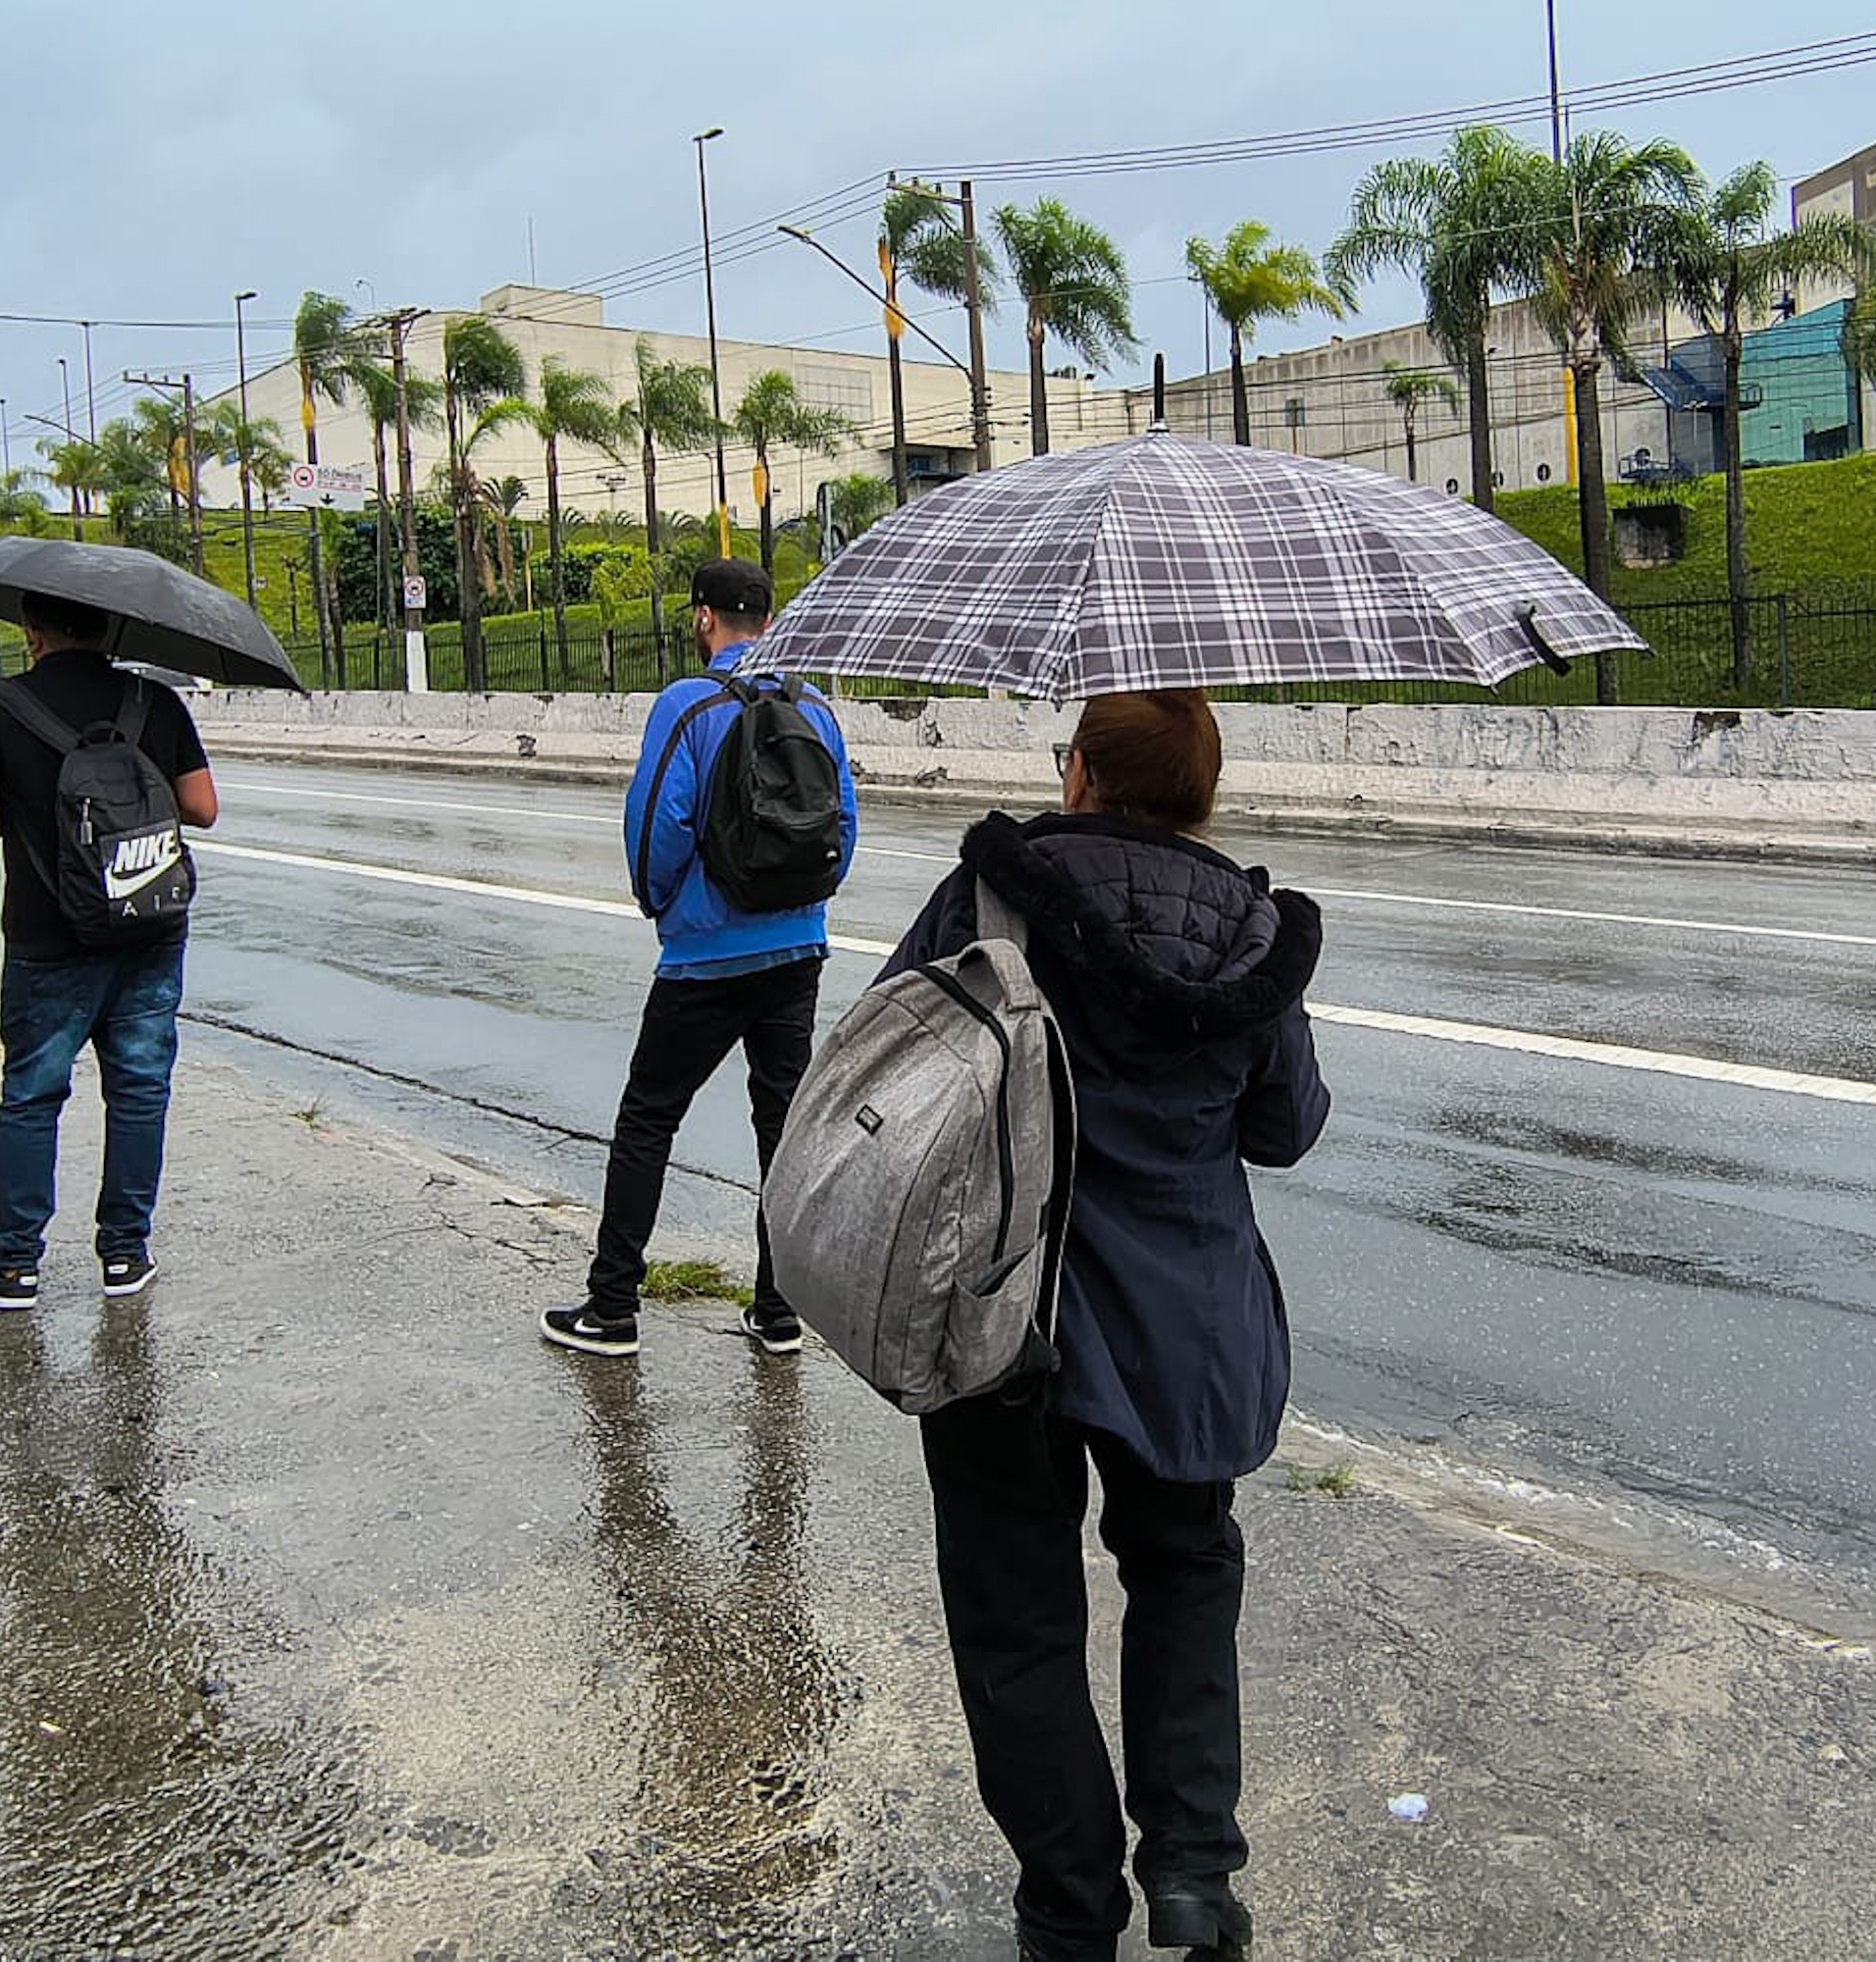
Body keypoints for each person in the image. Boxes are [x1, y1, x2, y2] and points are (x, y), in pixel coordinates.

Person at [880, 690, 1329, 1962]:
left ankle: (1067, 1910)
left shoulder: (995, 896)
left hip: (998, 1317)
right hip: (1185, 1332)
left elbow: (890, 1070)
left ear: (1076, 772)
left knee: (1018, 1620)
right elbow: (1285, 1128)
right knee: (1184, 1575)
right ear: (1201, 792)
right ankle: (1193, 1878)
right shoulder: (1251, 927)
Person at [542, 558, 859, 1362]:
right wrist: (802, 907)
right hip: (797, 947)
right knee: (780, 1126)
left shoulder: (688, 704)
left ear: (702, 619)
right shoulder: (815, 707)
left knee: (649, 1116)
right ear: (771, 621)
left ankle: (612, 1306)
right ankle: (777, 1308)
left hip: (704, 956)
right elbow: (843, 827)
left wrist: (667, 909)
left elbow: (657, 824)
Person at [0, 592, 218, 1312]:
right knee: (138, 1090)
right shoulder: (153, 702)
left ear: (33, 631)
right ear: (107, 627)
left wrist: (31, 810)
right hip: (149, 927)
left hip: (47, 936)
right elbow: (202, 808)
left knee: (32, 1096)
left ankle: (14, 1265)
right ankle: (125, 1254)